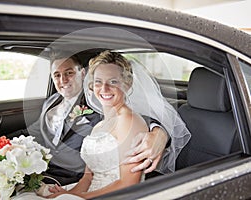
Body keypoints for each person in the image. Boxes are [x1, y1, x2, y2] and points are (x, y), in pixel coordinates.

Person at [44, 50, 190, 199]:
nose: (104, 88)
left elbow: (128, 184)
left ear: (127, 84)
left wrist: (80, 199)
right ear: (92, 85)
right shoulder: (98, 126)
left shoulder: (128, 122)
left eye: (113, 81)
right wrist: (69, 194)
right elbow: (87, 178)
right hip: (89, 191)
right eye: (98, 82)